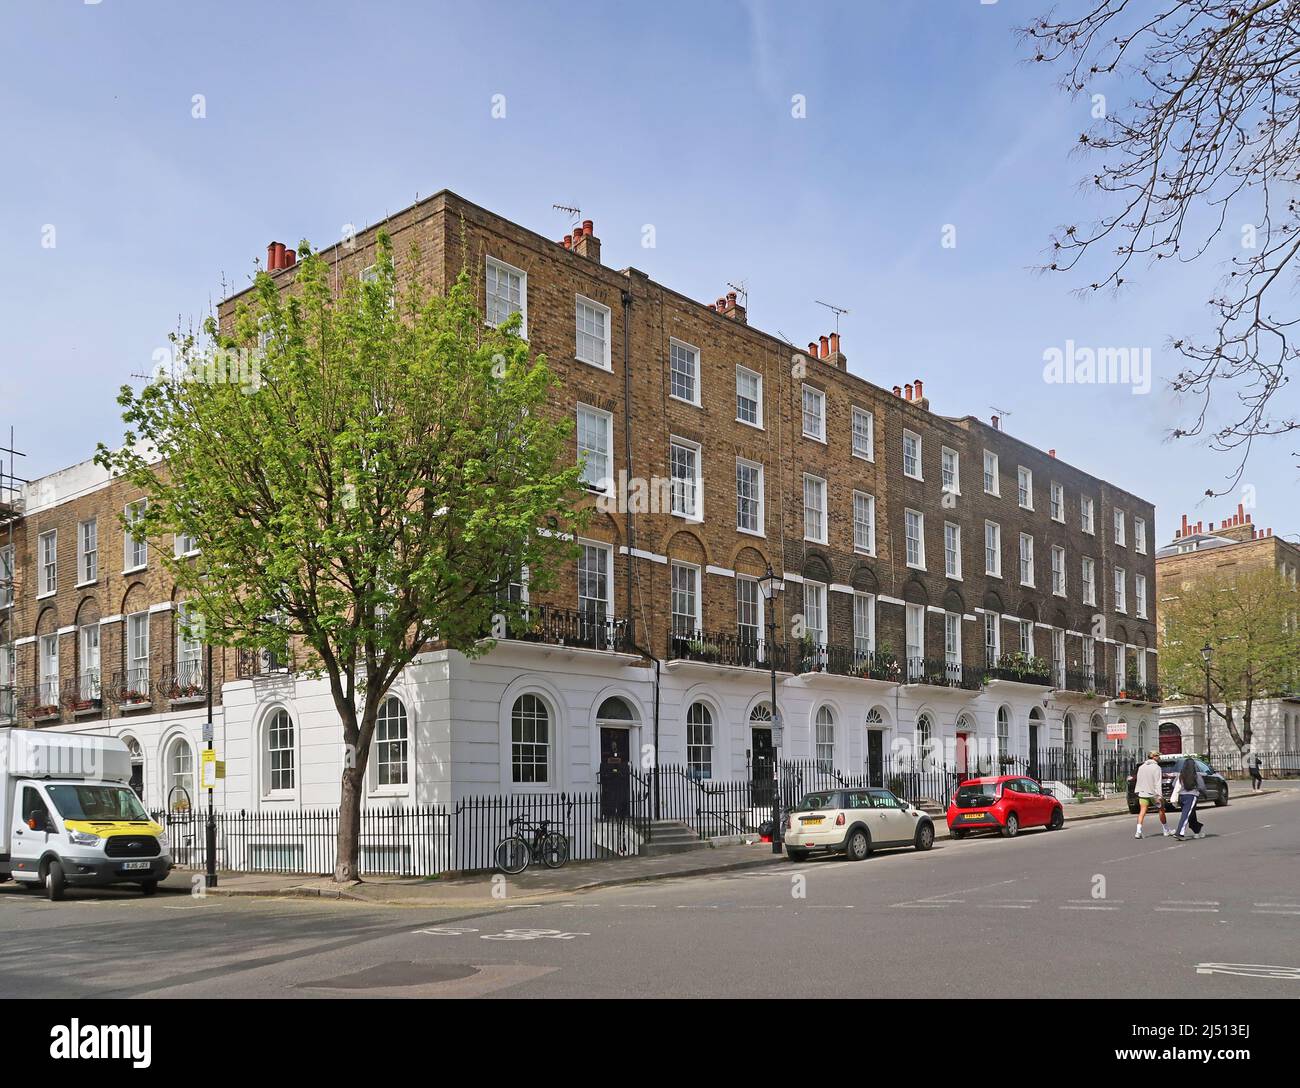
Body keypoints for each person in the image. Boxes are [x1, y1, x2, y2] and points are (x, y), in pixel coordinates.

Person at [1134, 750, 1172, 839]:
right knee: (1161, 810)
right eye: (1158, 756)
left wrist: (1138, 790)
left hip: (1143, 792)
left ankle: (1138, 831)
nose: (1159, 758)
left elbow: (1139, 780)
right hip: (1154, 794)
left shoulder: (1142, 767)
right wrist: (1159, 795)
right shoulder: (1156, 767)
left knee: (1142, 811)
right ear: (1154, 757)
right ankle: (1166, 830)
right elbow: (1157, 782)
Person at [1171, 757, 1206, 840]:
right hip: (1191, 796)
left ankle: (1197, 830)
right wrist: (1204, 793)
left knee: (1190, 813)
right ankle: (1179, 833)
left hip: (1181, 796)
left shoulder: (1181, 775)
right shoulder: (1196, 775)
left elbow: (1173, 784)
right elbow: (1202, 787)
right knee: (1186, 815)